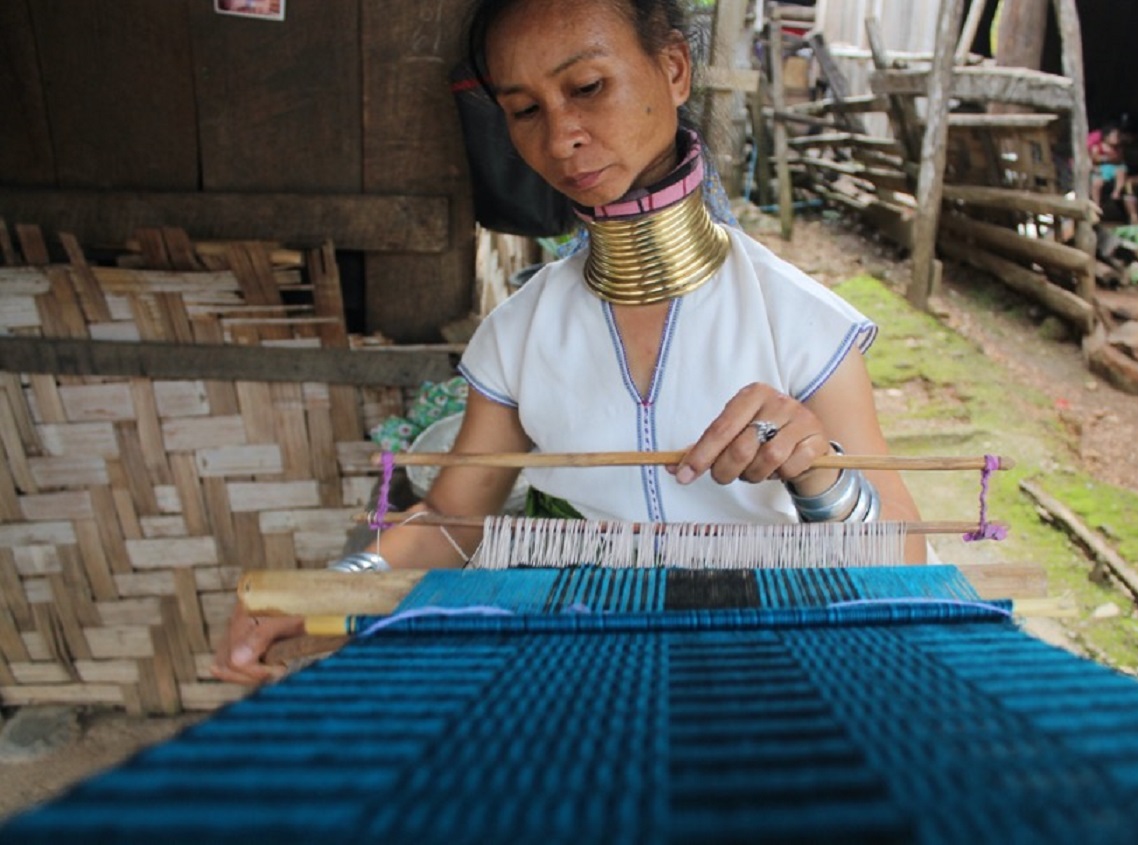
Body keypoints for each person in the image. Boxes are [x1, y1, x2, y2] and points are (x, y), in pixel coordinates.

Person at [212, 0, 924, 686]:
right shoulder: (520, 333)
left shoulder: (798, 321)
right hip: (583, 671)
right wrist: (325, 588)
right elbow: (452, 524)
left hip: (762, 667)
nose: (559, 139)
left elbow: (904, 552)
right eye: (524, 110)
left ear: (674, 69)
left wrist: (820, 474)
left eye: (587, 87)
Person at [1088, 124, 1138, 224]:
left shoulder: (1118, 148)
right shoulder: (1098, 147)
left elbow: (1118, 160)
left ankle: (1117, 192)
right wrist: (1106, 159)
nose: (1117, 138)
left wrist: (1107, 159)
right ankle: (1096, 208)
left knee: (1122, 173)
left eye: (1118, 136)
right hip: (1101, 171)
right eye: (1114, 136)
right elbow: (1095, 159)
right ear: (1106, 137)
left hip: (1115, 171)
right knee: (1096, 183)